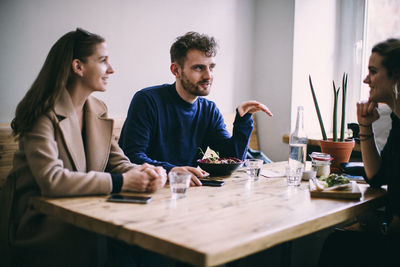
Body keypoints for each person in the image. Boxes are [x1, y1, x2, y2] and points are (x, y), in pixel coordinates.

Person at [0, 28, 167, 267]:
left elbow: (117, 162)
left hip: (90, 224)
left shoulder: (98, 108)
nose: (111, 69)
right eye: (103, 61)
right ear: (77, 67)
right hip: (43, 230)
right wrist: (122, 182)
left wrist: (146, 172)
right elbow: (52, 180)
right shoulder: (42, 113)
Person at [118, 32, 273, 185]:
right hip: (148, 190)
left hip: (187, 191)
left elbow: (231, 158)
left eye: (211, 67)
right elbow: (132, 157)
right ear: (176, 70)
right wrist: (172, 171)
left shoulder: (209, 110)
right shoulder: (147, 100)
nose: (208, 75)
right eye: (199, 68)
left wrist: (243, 120)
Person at [318, 38, 400, 266]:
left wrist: (380, 227)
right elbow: (377, 176)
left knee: (337, 245)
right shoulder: (397, 119)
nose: (366, 79)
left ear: (396, 77)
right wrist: (365, 126)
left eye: (373, 72)